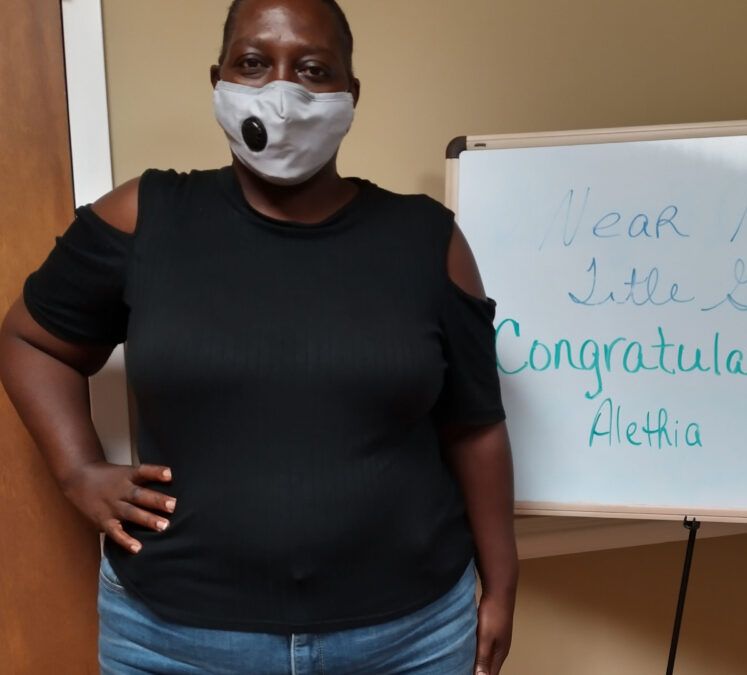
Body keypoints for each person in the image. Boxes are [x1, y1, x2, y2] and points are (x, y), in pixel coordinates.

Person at [0, 0, 517, 672]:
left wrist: (502, 585)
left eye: (312, 68)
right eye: (252, 63)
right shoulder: (144, 217)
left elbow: (476, 425)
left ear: (351, 93)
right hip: (171, 641)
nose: (281, 90)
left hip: (406, 639)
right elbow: (31, 339)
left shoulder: (428, 239)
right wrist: (77, 471)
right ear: (217, 78)